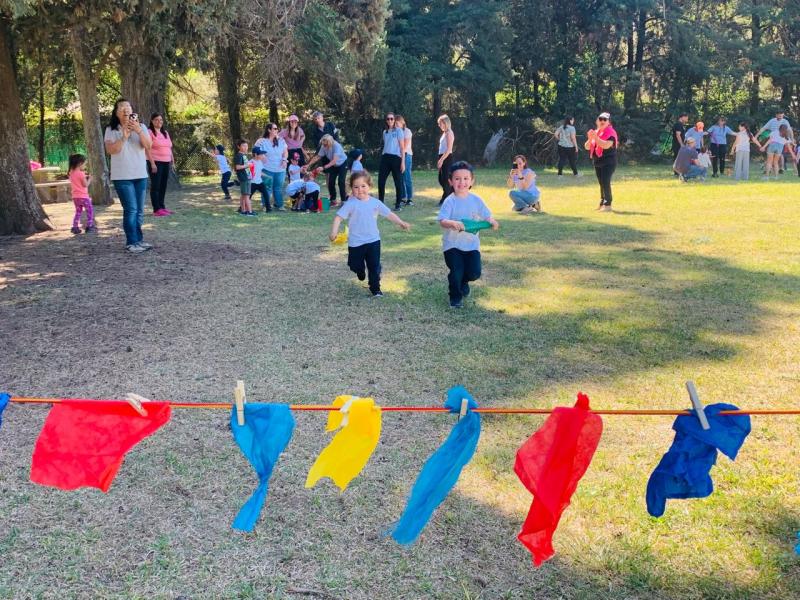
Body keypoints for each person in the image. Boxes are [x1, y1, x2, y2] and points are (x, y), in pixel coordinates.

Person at [329, 171, 411, 297]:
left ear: (369, 186)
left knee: (374, 266)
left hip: (373, 240)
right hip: (356, 243)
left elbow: (389, 214)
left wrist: (401, 222)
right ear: (351, 188)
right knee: (354, 265)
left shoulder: (375, 202)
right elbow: (338, 217)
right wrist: (334, 232)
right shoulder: (350, 204)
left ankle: (375, 288)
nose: (360, 190)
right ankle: (360, 270)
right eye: (356, 187)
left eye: (363, 186)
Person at [437, 161, 499, 309]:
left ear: (472, 181)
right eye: (457, 179)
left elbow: (487, 215)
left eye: (466, 178)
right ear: (450, 181)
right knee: (456, 271)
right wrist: (452, 223)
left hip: (472, 245)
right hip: (452, 245)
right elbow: (442, 220)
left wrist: (492, 221)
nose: (462, 182)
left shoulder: (476, 200)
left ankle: (463, 282)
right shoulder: (449, 201)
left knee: (474, 273)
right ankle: (455, 297)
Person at [104, 98, 153, 253]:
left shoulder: (142, 127)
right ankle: (131, 242)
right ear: (116, 112)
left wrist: (138, 130)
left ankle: (139, 240)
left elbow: (148, 146)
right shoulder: (111, 129)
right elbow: (111, 150)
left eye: (128, 107)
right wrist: (124, 136)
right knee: (131, 209)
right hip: (122, 176)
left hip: (140, 174)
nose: (126, 109)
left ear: (132, 111)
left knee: (139, 211)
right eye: (122, 107)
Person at [585, 112, 619, 211]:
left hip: (608, 162)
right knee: (601, 183)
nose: (602, 121)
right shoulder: (597, 132)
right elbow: (587, 147)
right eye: (600, 119)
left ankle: (608, 205)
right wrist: (590, 138)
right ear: (597, 121)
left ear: (609, 122)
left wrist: (595, 137)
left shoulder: (611, 132)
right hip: (598, 162)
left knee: (605, 182)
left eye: (605, 119)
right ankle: (602, 203)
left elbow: (606, 145)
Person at [306, 134, 347, 207]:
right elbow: (318, 157)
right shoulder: (323, 146)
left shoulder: (336, 146)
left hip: (342, 164)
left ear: (330, 142)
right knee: (331, 182)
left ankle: (343, 201)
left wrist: (323, 167)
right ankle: (333, 200)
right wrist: (308, 164)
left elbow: (334, 161)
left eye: (325, 144)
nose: (324, 146)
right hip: (333, 165)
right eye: (323, 144)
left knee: (341, 181)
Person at [145, 113, 173, 216]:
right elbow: (147, 148)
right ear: (152, 121)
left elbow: (169, 147)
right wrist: (152, 163)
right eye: (156, 120)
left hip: (166, 162)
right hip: (156, 162)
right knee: (156, 186)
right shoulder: (149, 132)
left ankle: (162, 207)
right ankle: (156, 209)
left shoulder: (165, 133)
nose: (159, 122)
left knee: (163, 185)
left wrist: (172, 158)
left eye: (161, 120)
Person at [378, 112, 406, 211]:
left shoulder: (399, 131)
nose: (390, 120)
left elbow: (402, 148)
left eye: (391, 119)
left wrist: (403, 162)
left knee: (398, 182)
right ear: (386, 121)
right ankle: (380, 203)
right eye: (388, 119)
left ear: (394, 120)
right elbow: (386, 145)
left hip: (396, 158)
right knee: (381, 181)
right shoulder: (384, 132)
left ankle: (398, 204)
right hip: (385, 158)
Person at [257, 123, 289, 211]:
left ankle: (280, 205)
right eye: (274, 129)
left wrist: (284, 160)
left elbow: (285, 152)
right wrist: (261, 155)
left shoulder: (281, 140)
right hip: (267, 169)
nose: (276, 130)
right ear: (269, 130)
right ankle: (265, 205)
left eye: (277, 129)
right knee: (267, 188)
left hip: (280, 169)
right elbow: (255, 150)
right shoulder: (262, 141)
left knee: (278, 188)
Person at [68, 153, 95, 234]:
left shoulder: (71, 172)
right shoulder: (81, 173)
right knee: (89, 211)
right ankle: (89, 226)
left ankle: (75, 227)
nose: (85, 166)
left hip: (75, 197)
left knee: (78, 212)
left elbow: (78, 181)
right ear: (80, 163)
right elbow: (85, 185)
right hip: (83, 197)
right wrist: (90, 179)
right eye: (84, 164)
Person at [395, 115, 414, 206]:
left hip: (406, 155)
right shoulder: (395, 132)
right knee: (400, 177)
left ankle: (409, 199)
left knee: (407, 176)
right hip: (398, 155)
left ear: (402, 122)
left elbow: (404, 146)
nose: (396, 125)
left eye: (397, 123)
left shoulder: (407, 131)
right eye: (395, 123)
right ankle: (403, 198)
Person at [436, 114, 455, 205]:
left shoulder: (449, 133)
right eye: (439, 124)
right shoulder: (445, 133)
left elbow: (448, 149)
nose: (439, 125)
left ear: (445, 123)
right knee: (441, 179)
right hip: (442, 157)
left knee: (445, 179)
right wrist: (440, 159)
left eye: (440, 123)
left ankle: (445, 199)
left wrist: (441, 160)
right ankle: (451, 195)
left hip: (447, 158)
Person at [234, 139, 255, 216]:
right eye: (243, 146)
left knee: (244, 195)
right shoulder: (239, 155)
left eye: (246, 146)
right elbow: (237, 167)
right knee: (246, 195)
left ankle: (243, 211)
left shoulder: (243, 155)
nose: (245, 147)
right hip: (244, 178)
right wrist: (247, 165)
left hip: (247, 177)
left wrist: (248, 165)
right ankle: (249, 212)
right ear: (238, 146)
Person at [250, 148, 271, 212]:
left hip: (260, 182)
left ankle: (268, 208)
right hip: (252, 183)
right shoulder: (250, 162)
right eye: (261, 154)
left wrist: (268, 176)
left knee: (266, 194)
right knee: (248, 196)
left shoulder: (260, 162)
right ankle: (241, 208)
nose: (262, 156)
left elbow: (260, 172)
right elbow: (248, 173)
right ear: (256, 154)